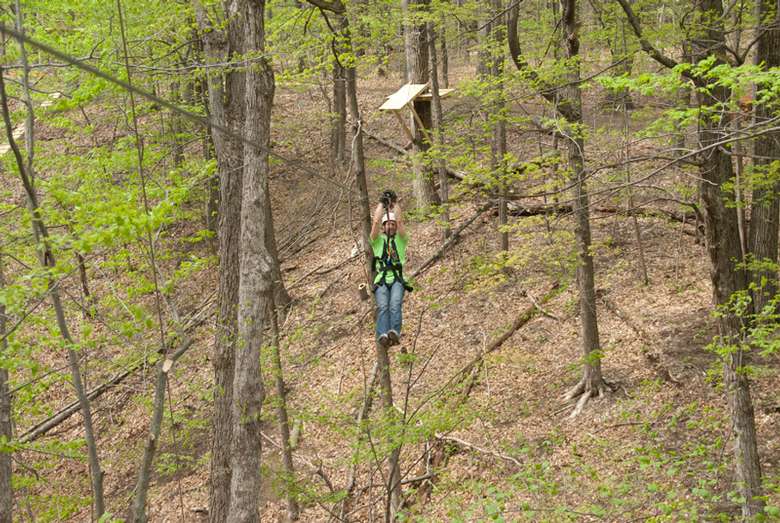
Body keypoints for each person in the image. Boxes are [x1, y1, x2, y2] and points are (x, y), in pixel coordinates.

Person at [370, 192, 411, 347]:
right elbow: (375, 222)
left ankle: (394, 332)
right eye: (388, 224)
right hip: (381, 279)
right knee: (383, 307)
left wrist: (395, 203)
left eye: (393, 224)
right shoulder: (377, 241)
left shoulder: (401, 240)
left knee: (395, 304)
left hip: (397, 279)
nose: (391, 226)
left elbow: (400, 221)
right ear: (384, 226)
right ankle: (383, 334)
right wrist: (382, 204)